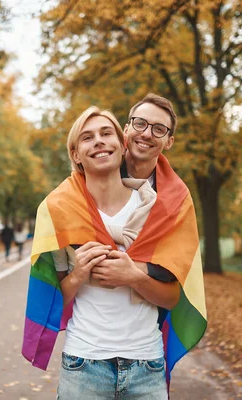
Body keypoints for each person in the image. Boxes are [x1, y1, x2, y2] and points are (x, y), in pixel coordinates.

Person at [22, 95, 207, 399]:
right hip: (84, 364)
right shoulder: (61, 210)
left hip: (146, 366)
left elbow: (173, 296)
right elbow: (52, 297)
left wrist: (133, 275)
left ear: (121, 145)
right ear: (75, 154)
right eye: (87, 137)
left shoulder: (161, 208)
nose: (98, 142)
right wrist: (79, 274)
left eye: (105, 134)